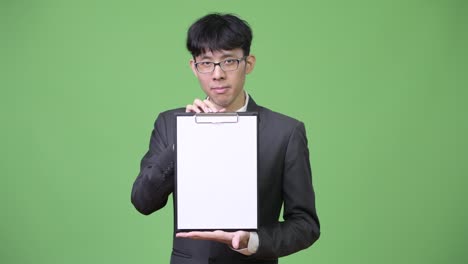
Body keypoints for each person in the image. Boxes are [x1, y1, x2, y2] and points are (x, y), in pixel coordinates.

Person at [131, 13, 320, 264]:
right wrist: (186, 141)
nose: (217, 74)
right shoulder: (170, 124)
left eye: (229, 61)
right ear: (193, 67)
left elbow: (306, 225)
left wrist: (252, 241)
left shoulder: (285, 132)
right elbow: (143, 201)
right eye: (206, 63)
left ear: (248, 63)